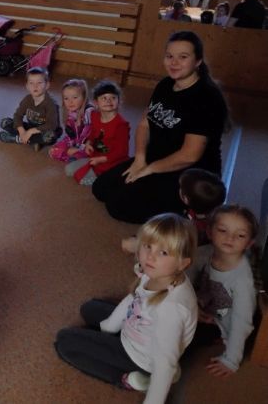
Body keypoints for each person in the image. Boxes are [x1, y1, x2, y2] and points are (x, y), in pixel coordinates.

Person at [55, 214, 198, 404]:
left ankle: (126, 379)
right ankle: (111, 337)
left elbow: (164, 365)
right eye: (148, 246)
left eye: (163, 252)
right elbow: (134, 298)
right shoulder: (159, 271)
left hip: (140, 357)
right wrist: (109, 326)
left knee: (64, 342)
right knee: (88, 308)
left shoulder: (171, 309)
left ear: (183, 263)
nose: (150, 256)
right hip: (139, 327)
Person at [92, 31, 228, 224]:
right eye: (169, 56)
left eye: (183, 57)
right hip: (157, 157)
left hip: (188, 173)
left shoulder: (207, 98)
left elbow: (190, 155)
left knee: (117, 205)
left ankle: (192, 209)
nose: (174, 62)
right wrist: (140, 159)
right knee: (101, 188)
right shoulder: (165, 85)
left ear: (198, 61)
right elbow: (144, 124)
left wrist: (150, 169)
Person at [187, 205, 258, 377]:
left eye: (240, 235)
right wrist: (192, 305)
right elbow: (183, 278)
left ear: (249, 243)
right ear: (210, 232)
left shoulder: (243, 280)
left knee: (183, 336)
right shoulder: (204, 253)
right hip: (201, 306)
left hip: (220, 324)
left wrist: (231, 360)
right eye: (222, 230)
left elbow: (242, 322)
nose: (230, 238)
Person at [121, 168, 226, 253]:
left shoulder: (195, 229)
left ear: (186, 199)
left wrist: (141, 243)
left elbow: (173, 244)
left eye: (181, 188)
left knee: (133, 244)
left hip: (183, 250)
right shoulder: (214, 212)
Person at [64, 81, 130, 186]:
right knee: (69, 170)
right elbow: (93, 133)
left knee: (81, 179)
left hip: (112, 162)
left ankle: (105, 178)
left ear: (119, 101)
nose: (108, 101)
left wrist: (101, 159)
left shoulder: (121, 125)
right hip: (96, 156)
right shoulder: (95, 116)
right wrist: (88, 143)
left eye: (113, 98)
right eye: (104, 98)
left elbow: (121, 151)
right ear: (96, 102)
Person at [0, 66, 61, 151]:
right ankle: (34, 141)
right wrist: (22, 131)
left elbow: (52, 125)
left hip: (44, 130)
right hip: (30, 126)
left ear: (47, 85)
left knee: (50, 136)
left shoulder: (51, 104)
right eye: (31, 83)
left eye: (39, 83)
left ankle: (17, 139)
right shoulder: (27, 99)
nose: (35, 86)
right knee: (4, 122)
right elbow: (18, 115)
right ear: (27, 86)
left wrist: (30, 132)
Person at [49, 79, 93, 163]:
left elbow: (89, 134)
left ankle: (77, 157)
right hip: (75, 140)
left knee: (86, 153)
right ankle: (72, 157)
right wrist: (70, 146)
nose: (70, 102)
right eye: (66, 98)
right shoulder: (69, 111)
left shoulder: (89, 112)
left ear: (84, 97)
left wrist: (79, 147)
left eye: (75, 97)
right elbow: (70, 133)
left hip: (87, 143)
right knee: (53, 151)